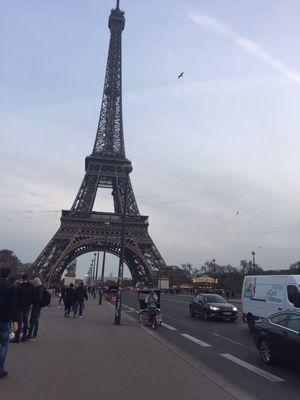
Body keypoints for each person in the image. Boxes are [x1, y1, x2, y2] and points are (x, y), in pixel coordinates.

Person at [0, 267, 18, 378]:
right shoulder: (11, 287)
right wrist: (15, 321)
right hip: (4, 319)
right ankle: (0, 369)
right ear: (8, 275)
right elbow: (12, 305)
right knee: (4, 345)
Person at [15, 273, 34, 342]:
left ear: (22, 278)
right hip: (27, 306)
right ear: (28, 278)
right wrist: (30, 304)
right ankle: (24, 337)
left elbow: (16, 297)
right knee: (26, 322)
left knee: (19, 322)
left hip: (20, 306)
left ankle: (17, 338)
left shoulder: (19, 286)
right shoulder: (31, 287)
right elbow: (33, 296)